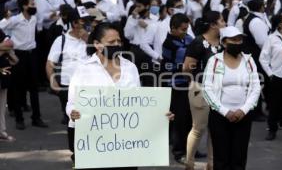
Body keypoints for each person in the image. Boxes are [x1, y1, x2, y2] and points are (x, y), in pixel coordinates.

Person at [66, 22, 174, 168]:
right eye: (111, 42)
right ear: (97, 44)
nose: (117, 44)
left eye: (118, 41)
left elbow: (138, 103)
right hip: (93, 140)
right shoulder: (83, 69)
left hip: (125, 142)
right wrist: (73, 113)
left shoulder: (130, 67)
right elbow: (72, 103)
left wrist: (159, 115)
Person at [203, 26, 261, 170]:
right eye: (233, 40)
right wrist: (225, 111)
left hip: (244, 116)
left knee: (239, 159)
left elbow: (256, 88)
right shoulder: (214, 61)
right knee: (221, 159)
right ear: (224, 43)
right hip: (219, 117)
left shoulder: (249, 61)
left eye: (240, 39)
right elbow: (207, 89)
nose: (238, 42)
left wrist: (243, 110)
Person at [183, 11, 225, 170]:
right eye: (222, 20)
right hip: (200, 89)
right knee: (199, 128)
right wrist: (197, 83)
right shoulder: (199, 42)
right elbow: (186, 68)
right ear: (213, 24)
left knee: (215, 129)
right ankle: (189, 162)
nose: (225, 23)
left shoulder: (224, 42)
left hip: (220, 90)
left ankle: (212, 164)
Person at [0, 0, 48, 130]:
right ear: (24, 6)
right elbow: (1, 26)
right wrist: (7, 40)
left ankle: (36, 117)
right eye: (31, 4)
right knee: (17, 87)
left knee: (34, 87)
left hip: (32, 55)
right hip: (19, 55)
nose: (34, 6)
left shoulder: (33, 19)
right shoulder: (15, 20)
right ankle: (19, 118)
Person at [46, 6, 91, 125]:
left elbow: (102, 56)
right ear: (75, 23)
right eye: (84, 21)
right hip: (68, 87)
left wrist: (88, 39)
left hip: (89, 86)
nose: (88, 23)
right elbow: (50, 64)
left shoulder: (92, 39)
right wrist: (54, 84)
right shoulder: (61, 40)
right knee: (73, 120)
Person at [161, 13, 193, 164]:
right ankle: (179, 151)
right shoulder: (168, 44)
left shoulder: (188, 39)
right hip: (175, 84)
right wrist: (187, 66)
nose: (185, 32)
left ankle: (190, 148)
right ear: (173, 28)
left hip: (189, 83)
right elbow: (171, 66)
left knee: (190, 118)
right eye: (182, 29)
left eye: (187, 29)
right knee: (179, 119)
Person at [259, 13, 282, 141]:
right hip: (277, 76)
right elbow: (263, 58)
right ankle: (272, 129)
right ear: (279, 24)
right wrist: (270, 73)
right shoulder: (272, 39)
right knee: (275, 105)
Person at [243, 0, 271, 121]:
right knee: (260, 83)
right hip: (257, 56)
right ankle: (257, 111)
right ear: (260, 7)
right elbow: (262, 42)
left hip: (256, 55)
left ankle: (261, 109)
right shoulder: (256, 21)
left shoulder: (258, 18)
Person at [0, 30, 18, 141]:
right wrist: (3, 49)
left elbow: (10, 44)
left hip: (3, 74)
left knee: (2, 105)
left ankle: (1, 131)